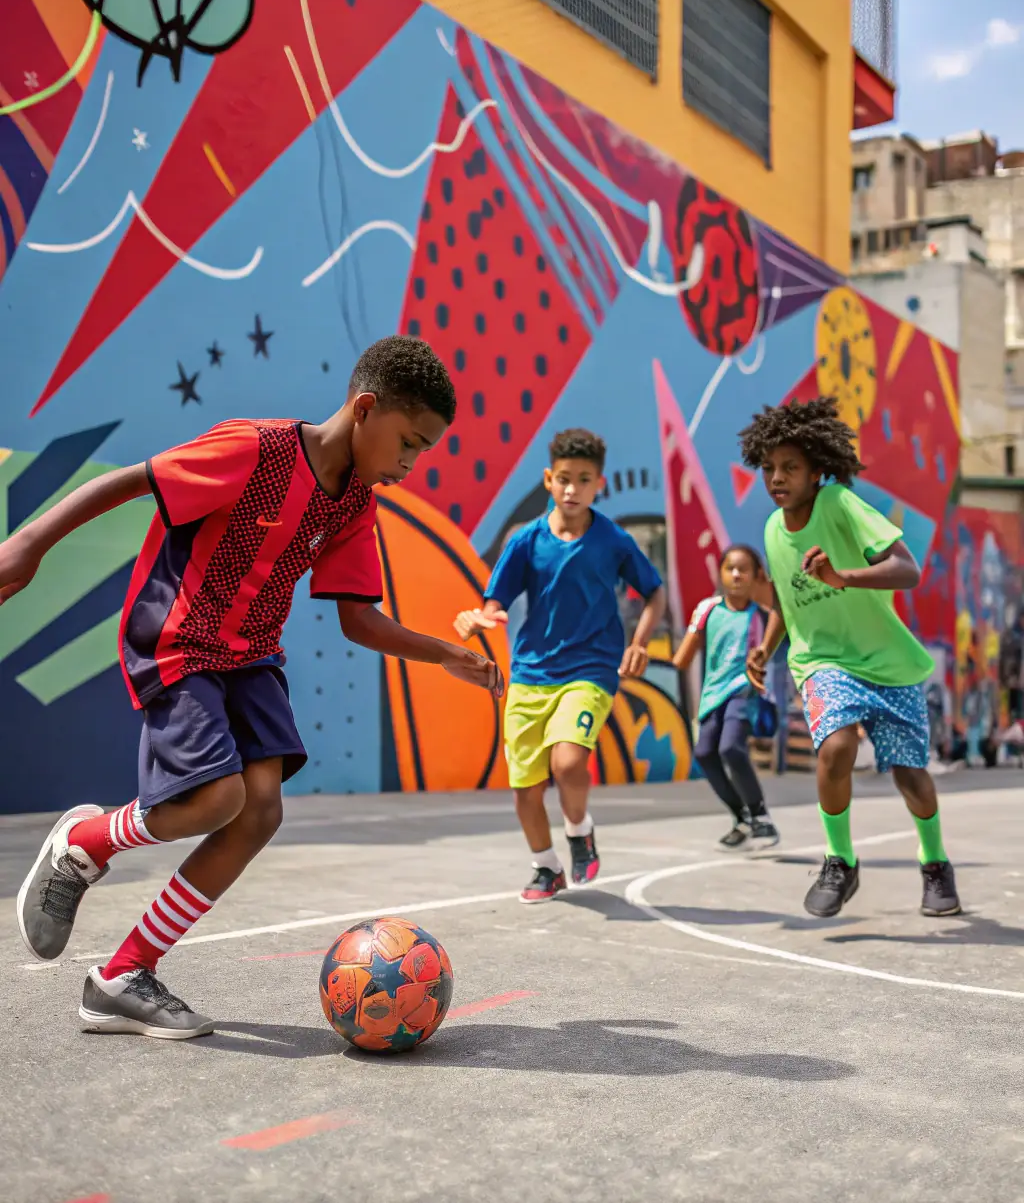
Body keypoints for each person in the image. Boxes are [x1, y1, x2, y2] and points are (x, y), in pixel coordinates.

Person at [5, 336, 502, 1037]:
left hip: (253, 655)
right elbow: (133, 482)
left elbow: (359, 619)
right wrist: (30, 543)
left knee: (260, 812)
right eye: (408, 443)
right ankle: (84, 840)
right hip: (180, 638)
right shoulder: (258, 448)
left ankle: (122, 974)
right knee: (216, 798)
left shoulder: (354, 503)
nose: (409, 464)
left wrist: (444, 653)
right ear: (365, 409)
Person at [740, 396, 961, 920]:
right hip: (823, 661)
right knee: (837, 747)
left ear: (817, 471)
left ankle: (935, 863)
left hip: (886, 662)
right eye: (769, 468)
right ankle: (839, 860)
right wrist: (766, 647)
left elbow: (907, 570)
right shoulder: (772, 530)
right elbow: (787, 600)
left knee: (910, 774)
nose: (777, 478)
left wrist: (843, 576)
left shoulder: (839, 504)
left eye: (790, 467)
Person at [453, 429, 666, 903]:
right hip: (530, 675)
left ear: (599, 485)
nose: (572, 489)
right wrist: (480, 617)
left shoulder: (613, 540)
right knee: (526, 789)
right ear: (549, 479)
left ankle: (578, 831)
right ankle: (547, 867)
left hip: (591, 670)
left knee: (568, 762)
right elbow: (494, 601)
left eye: (584, 480)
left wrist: (640, 642)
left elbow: (655, 592)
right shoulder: (526, 540)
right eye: (564, 478)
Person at [672, 545, 780, 851]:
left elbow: (781, 612)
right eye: (729, 568)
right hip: (713, 693)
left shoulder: (763, 614)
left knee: (730, 747)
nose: (736, 575)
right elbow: (682, 658)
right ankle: (742, 818)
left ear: (756, 576)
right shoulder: (708, 610)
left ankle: (760, 815)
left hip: (745, 691)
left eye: (744, 569)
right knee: (705, 753)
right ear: (719, 574)